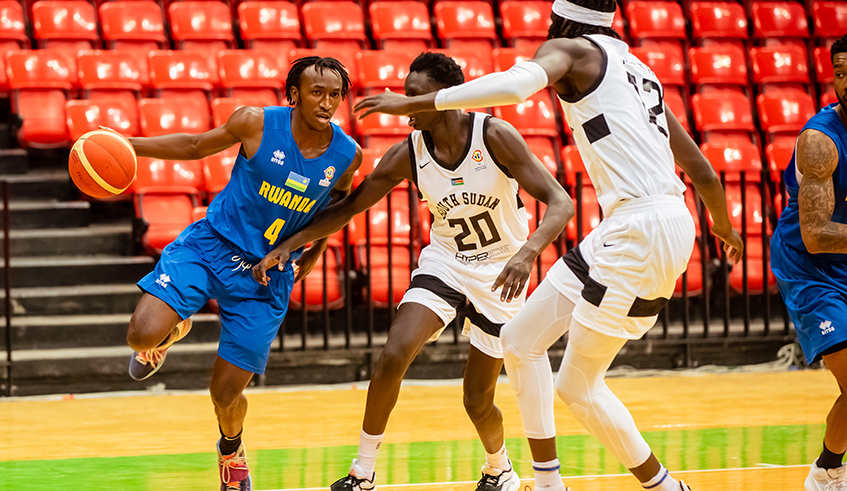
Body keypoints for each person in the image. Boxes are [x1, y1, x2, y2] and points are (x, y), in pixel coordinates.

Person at [352, 1, 745, 490]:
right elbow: (702, 171)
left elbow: (516, 87)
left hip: (638, 229)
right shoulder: (639, 71)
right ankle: (546, 481)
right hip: (641, 223)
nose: (547, 33)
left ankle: (663, 486)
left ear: (564, 19)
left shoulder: (572, 49)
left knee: (577, 385)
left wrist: (414, 103)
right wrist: (724, 225)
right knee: (520, 341)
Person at [253, 52, 573, 491]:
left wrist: (529, 252)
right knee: (392, 354)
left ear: (446, 99)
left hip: (503, 271)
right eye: (404, 97)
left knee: (477, 400)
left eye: (414, 98)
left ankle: (499, 468)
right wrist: (290, 245)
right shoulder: (409, 153)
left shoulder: (494, 136)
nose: (404, 107)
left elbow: (562, 202)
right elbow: (349, 207)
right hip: (446, 261)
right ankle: (362, 472)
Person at [123, 56, 361, 491]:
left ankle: (231, 451)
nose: (327, 102)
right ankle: (169, 333)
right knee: (140, 334)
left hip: (266, 275)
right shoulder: (254, 123)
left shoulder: (348, 154)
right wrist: (128, 144)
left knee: (225, 393)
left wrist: (316, 250)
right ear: (294, 95)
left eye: (335, 95)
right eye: (316, 92)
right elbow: (195, 146)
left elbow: (338, 207)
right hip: (211, 245)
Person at [770, 34, 847, 491]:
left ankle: (829, 468)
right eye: (840, 73)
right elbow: (817, 237)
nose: (845, 83)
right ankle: (826, 472)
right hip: (810, 266)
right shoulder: (820, 140)